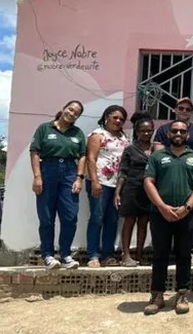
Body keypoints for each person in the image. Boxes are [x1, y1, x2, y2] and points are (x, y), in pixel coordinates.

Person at [143, 120, 193, 316]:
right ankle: (157, 295)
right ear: (169, 134)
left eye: (182, 131)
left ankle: (182, 294)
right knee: (159, 255)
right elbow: (148, 182)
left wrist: (187, 208)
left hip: (187, 214)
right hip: (160, 214)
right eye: (174, 130)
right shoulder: (157, 156)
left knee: (184, 255)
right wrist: (162, 206)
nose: (178, 133)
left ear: (188, 135)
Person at [30, 100, 86, 270]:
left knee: (70, 216)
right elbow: (34, 152)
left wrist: (79, 178)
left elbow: (82, 156)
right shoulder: (44, 129)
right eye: (70, 109)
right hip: (48, 170)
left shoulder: (78, 133)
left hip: (70, 172)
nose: (72, 113)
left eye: (76, 113)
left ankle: (66, 255)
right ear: (63, 109)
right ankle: (47, 255)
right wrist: (37, 177)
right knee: (46, 217)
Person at [152, 97, 193, 267]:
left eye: (188, 109)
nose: (184, 111)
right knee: (162, 232)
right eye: (181, 108)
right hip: (165, 185)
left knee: (189, 223)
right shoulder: (163, 129)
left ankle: (189, 252)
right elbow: (159, 156)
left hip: (190, 185)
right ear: (175, 110)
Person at [85, 105, 129, 268]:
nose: (118, 121)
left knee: (112, 220)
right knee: (97, 217)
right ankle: (93, 255)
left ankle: (108, 254)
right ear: (106, 117)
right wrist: (95, 181)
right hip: (100, 182)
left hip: (117, 186)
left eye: (121, 119)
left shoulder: (123, 137)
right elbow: (91, 159)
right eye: (115, 117)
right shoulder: (97, 135)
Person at [114, 112, 153, 267]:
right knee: (129, 221)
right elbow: (123, 171)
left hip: (148, 191)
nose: (146, 133)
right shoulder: (130, 149)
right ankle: (126, 255)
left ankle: (139, 255)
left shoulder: (156, 149)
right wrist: (117, 192)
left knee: (143, 223)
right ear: (137, 132)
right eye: (143, 130)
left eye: (149, 130)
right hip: (131, 189)